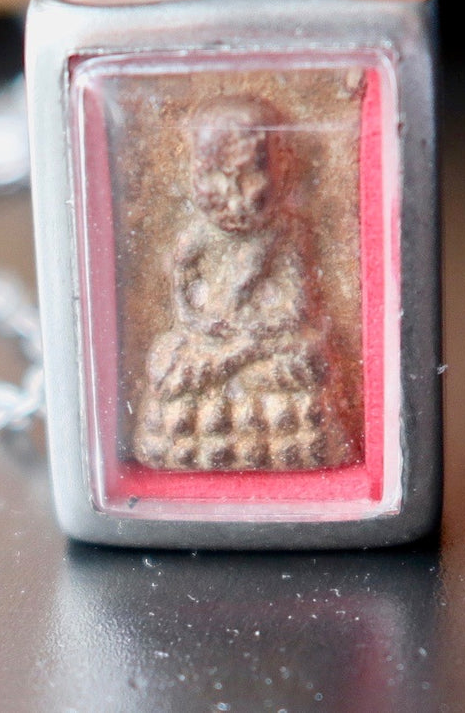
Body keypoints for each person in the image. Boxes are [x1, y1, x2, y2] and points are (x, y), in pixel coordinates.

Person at [132, 94, 355, 471]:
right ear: (191, 172)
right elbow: (184, 305)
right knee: (168, 364)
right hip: (211, 342)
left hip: (264, 342)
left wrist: (253, 333)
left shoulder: (285, 234)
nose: (232, 198)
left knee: (307, 360)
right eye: (212, 177)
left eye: (250, 177)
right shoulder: (196, 238)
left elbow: (296, 307)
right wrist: (210, 328)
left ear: (283, 168)